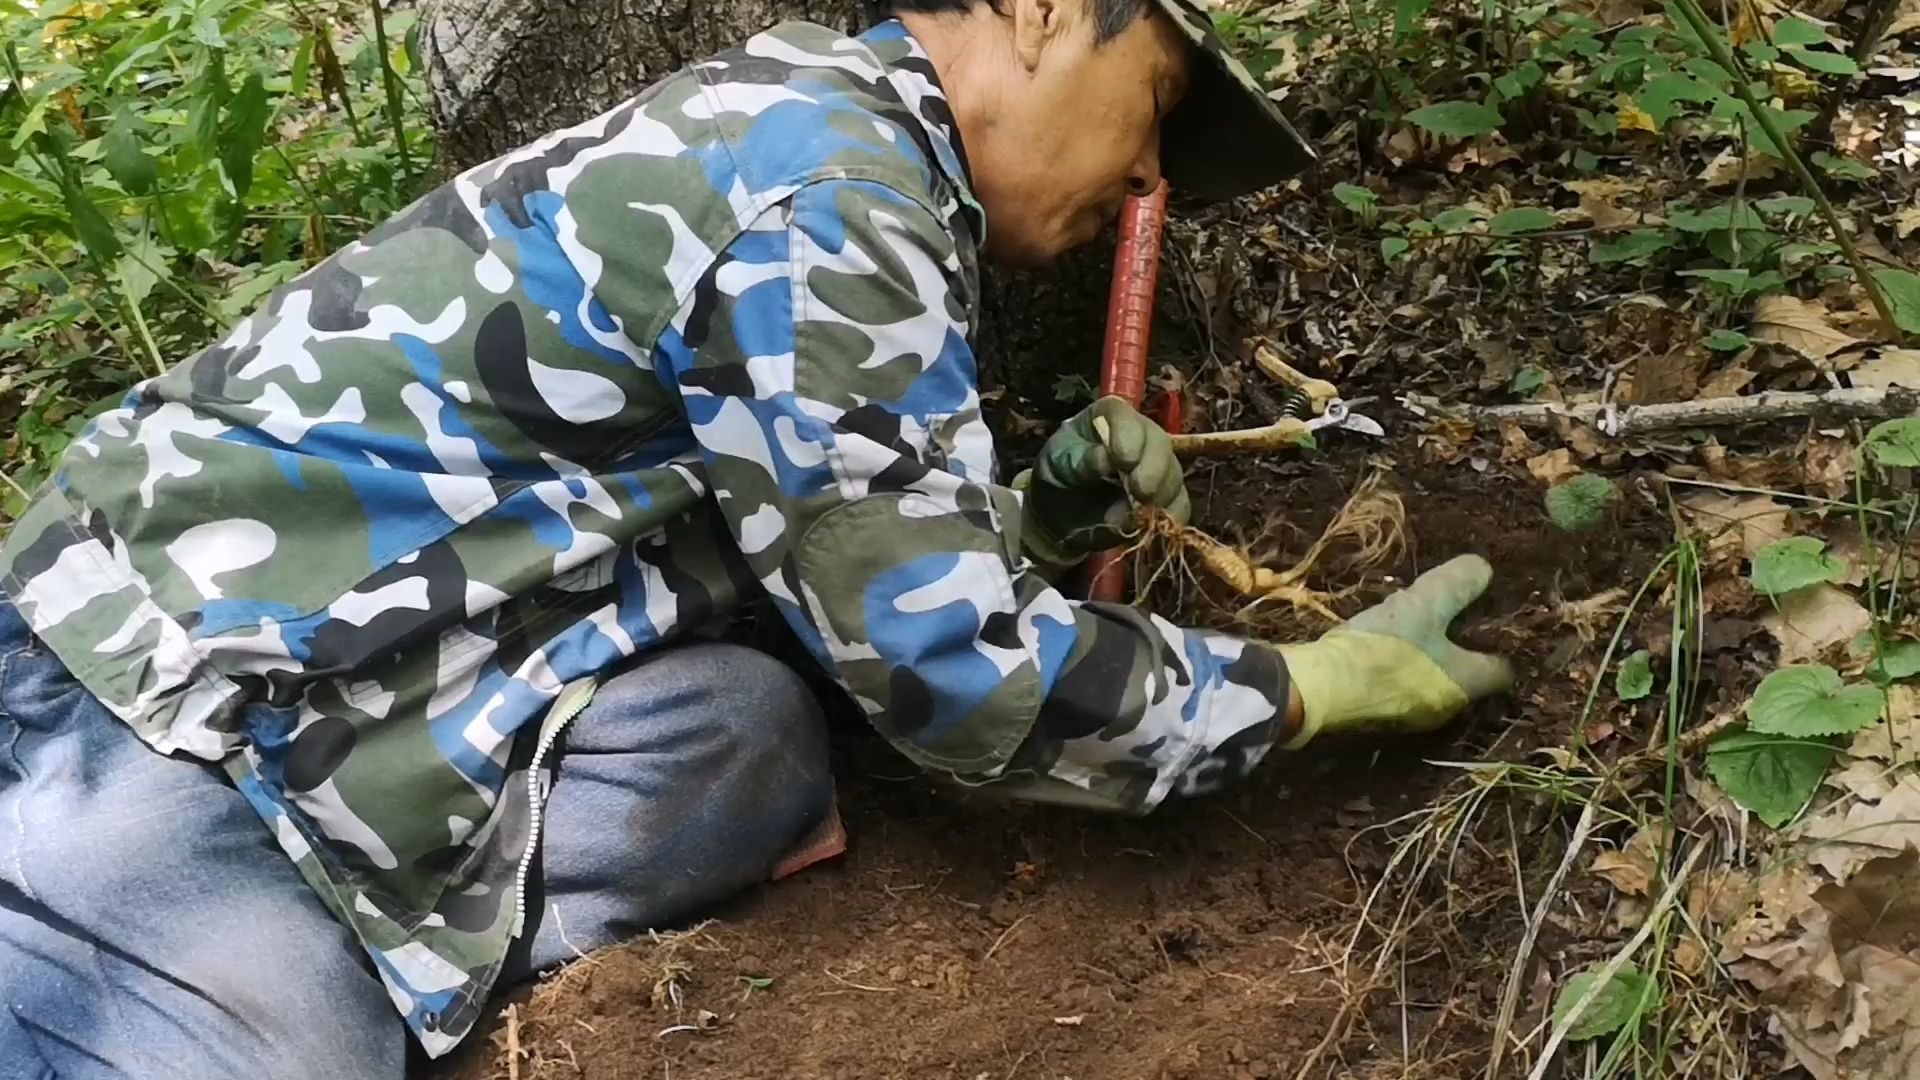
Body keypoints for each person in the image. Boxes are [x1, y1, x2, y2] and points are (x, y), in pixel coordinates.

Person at [0, 0, 1515, 1073]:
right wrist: (1313, 689)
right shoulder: (839, 191)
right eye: (1162, 109)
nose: (1152, 181)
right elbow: (956, 685)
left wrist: (1039, 516)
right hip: (194, 704)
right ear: (1046, 15)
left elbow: (815, 566)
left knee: (749, 729)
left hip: (378, 668)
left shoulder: (809, 124)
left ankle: (366, 948)